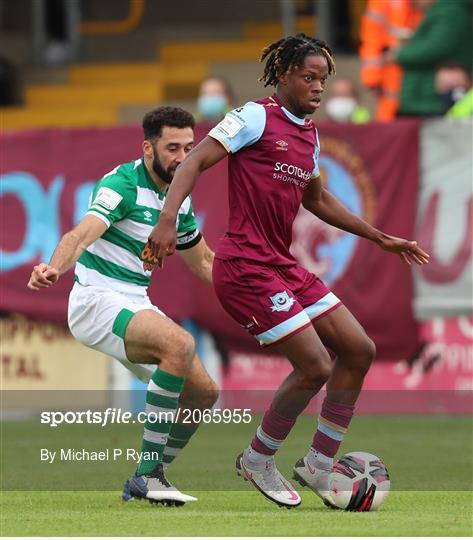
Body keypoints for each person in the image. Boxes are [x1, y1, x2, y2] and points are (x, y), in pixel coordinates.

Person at [148, 33, 430, 509]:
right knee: (315, 364)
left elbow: (316, 198)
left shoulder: (309, 133)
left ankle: (319, 464)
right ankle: (258, 458)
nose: (318, 87)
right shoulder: (255, 117)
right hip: (244, 267)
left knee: (358, 349)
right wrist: (167, 219)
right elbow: (195, 159)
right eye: (308, 77)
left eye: (323, 79)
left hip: (281, 265)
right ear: (284, 76)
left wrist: (378, 235)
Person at [27, 106, 218, 506]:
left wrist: (259, 296)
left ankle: (148, 475)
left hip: (134, 300)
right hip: (96, 298)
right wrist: (53, 268)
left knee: (203, 393)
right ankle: (149, 476)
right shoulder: (122, 184)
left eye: (188, 147)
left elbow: (202, 262)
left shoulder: (178, 197)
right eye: (172, 148)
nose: (183, 157)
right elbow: (80, 236)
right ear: (148, 148)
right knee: (180, 345)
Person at [396, 0, 473, 117]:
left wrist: (400, 54)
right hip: (429, 97)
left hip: (435, 98)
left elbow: (436, 47)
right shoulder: (444, 10)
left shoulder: (451, 11)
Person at [359, 0, 424, 121]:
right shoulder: (380, 4)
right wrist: (372, 79)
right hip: (389, 76)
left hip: (418, 74)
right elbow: (371, 41)